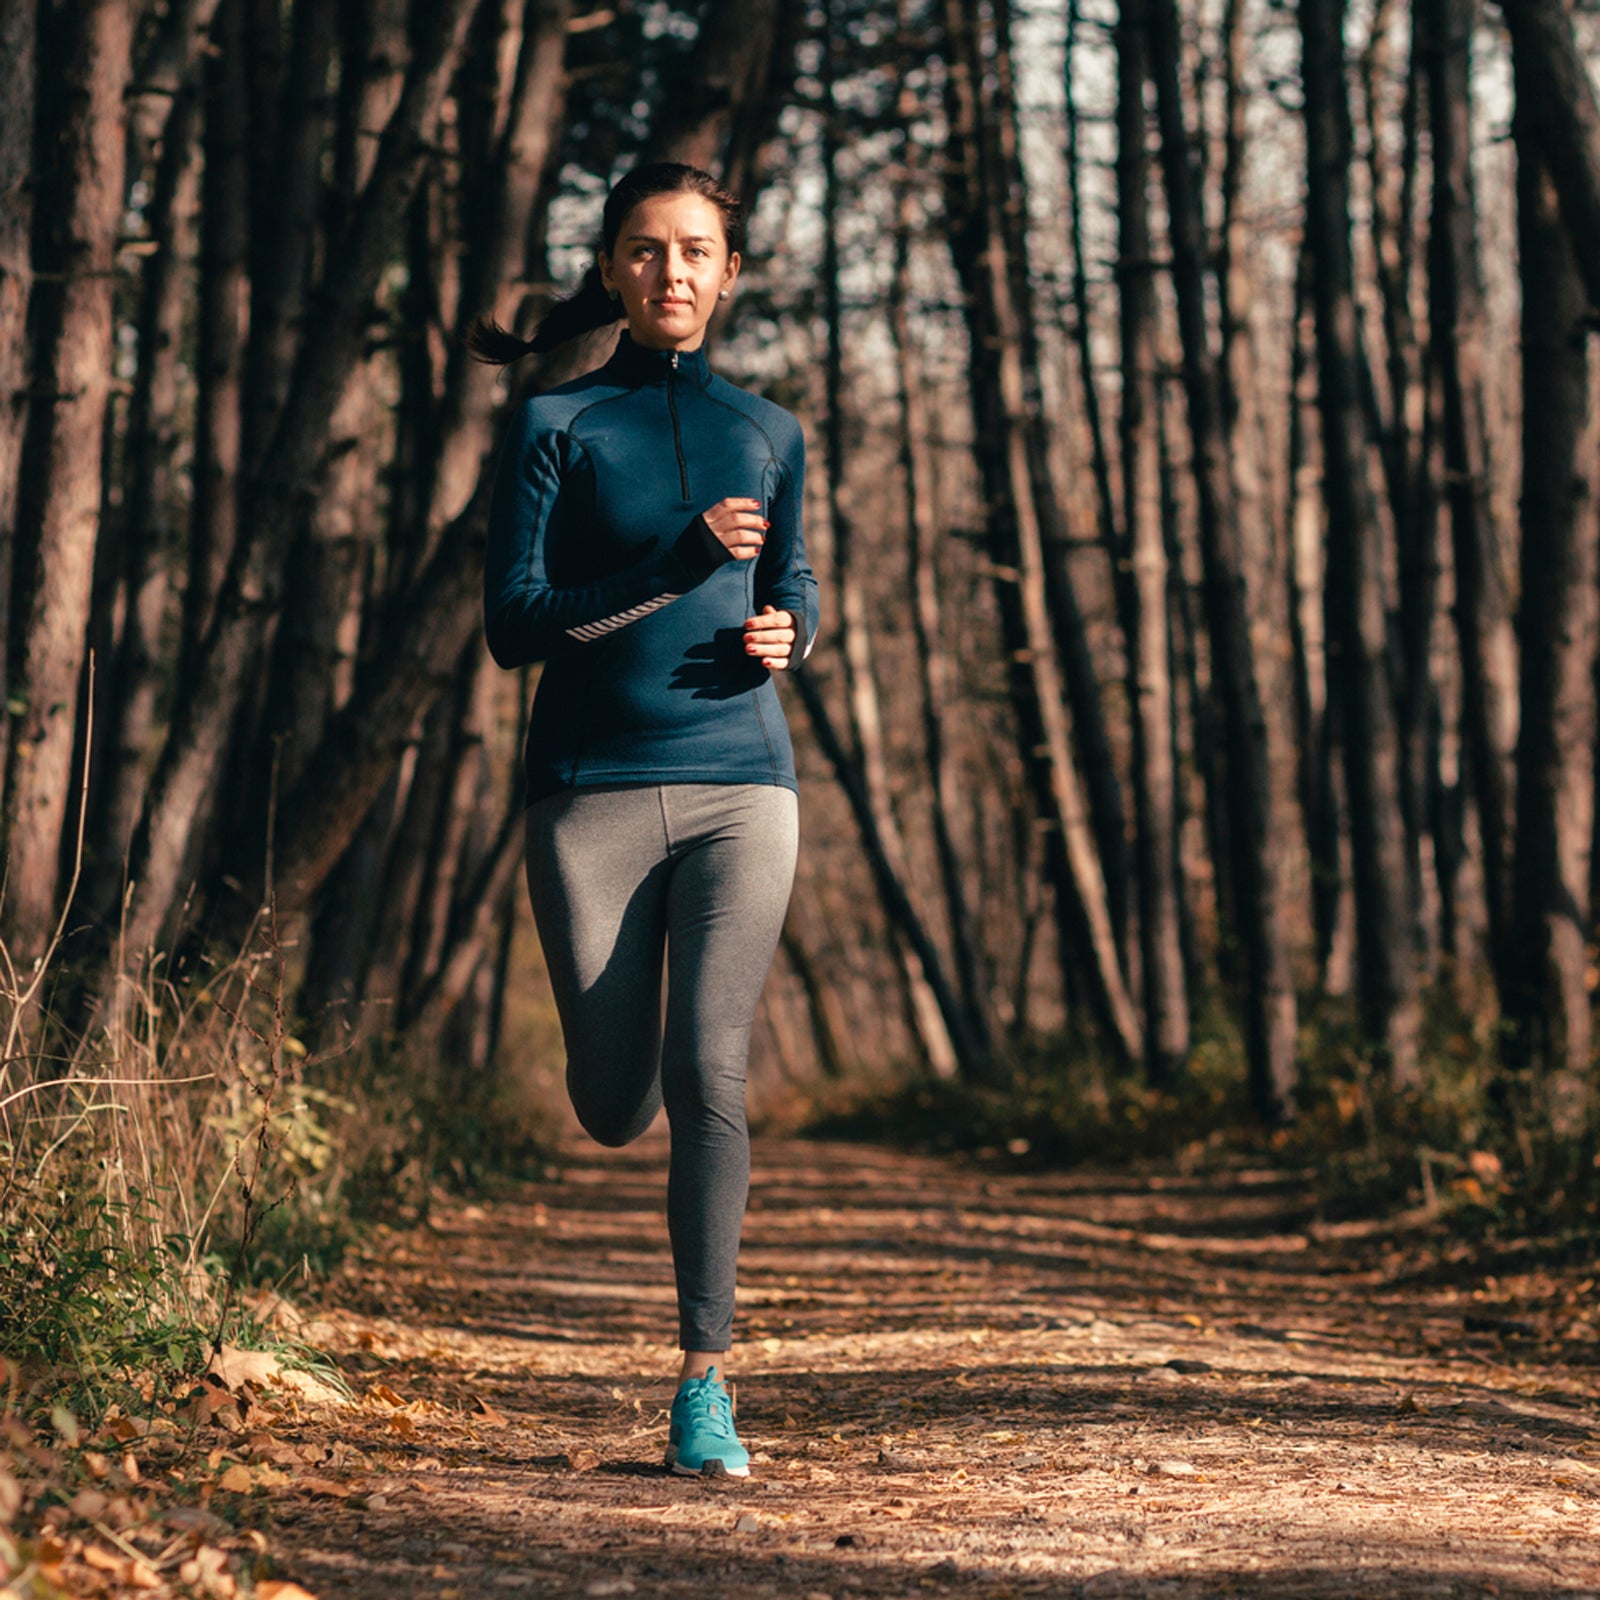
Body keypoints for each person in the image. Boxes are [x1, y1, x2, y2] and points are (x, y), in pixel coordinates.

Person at [473, 163, 818, 1479]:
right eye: (644, 250)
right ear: (612, 270)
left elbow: (792, 575)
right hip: (589, 793)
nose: (672, 271)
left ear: (731, 273)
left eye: (695, 251)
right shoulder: (561, 422)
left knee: (708, 1073)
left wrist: (793, 630)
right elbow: (517, 626)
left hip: (745, 784)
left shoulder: (772, 432)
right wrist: (672, 566)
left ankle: (703, 1388)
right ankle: (605, 1092)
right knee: (617, 1104)